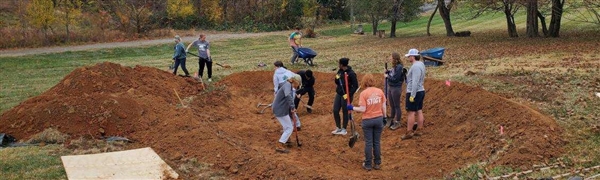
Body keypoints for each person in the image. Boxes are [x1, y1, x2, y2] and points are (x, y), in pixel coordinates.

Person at [347, 74, 387, 171]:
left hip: (368, 120)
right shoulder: (380, 91)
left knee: (369, 142)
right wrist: (385, 117)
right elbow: (384, 106)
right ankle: (377, 163)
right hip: (378, 119)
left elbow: (363, 109)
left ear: (364, 82)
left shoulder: (364, 93)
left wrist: (352, 107)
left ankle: (368, 164)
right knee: (376, 142)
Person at [272, 72, 301, 153]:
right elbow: (288, 96)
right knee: (289, 127)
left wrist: (291, 110)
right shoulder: (288, 85)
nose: (297, 86)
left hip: (281, 108)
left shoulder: (288, 85)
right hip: (280, 109)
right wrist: (292, 107)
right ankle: (280, 144)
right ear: (296, 81)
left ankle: (287, 140)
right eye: (298, 84)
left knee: (286, 126)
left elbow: (287, 98)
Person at [402, 48, 426, 140]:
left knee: (411, 112)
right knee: (419, 110)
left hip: (415, 91)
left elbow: (415, 81)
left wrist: (412, 95)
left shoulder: (415, 67)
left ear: (413, 56)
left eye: (409, 56)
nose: (408, 58)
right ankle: (419, 129)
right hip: (420, 91)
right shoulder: (421, 65)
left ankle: (409, 132)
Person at [332, 58, 359, 135]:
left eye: (339, 63)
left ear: (342, 65)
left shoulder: (351, 74)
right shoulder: (340, 71)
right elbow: (336, 80)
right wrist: (338, 78)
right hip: (340, 93)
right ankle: (338, 127)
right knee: (335, 110)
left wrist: (349, 94)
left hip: (347, 95)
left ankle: (344, 129)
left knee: (345, 111)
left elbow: (355, 86)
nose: (338, 65)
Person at [273, 61, 301, 130]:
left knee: (285, 110)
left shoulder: (276, 75)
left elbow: (276, 86)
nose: (274, 68)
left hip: (284, 93)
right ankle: (297, 124)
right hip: (292, 92)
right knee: (291, 109)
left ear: (278, 67)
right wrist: (296, 91)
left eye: (275, 67)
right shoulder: (288, 71)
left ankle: (289, 126)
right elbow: (296, 78)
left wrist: (276, 94)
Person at [386, 52, 407, 130]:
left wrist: (387, 76)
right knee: (392, 105)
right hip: (391, 87)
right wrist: (388, 72)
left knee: (396, 106)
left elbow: (395, 79)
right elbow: (393, 74)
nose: (390, 58)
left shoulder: (399, 67)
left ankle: (397, 122)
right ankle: (391, 119)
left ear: (394, 58)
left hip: (396, 88)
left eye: (391, 57)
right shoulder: (395, 67)